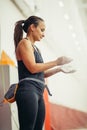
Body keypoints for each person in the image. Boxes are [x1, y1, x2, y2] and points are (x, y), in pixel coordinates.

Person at [14, 15, 75, 130]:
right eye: (42, 30)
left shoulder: (36, 49)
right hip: (28, 90)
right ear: (32, 27)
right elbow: (33, 68)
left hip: (38, 91)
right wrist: (57, 62)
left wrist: (59, 69)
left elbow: (41, 73)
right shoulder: (24, 43)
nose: (43, 34)